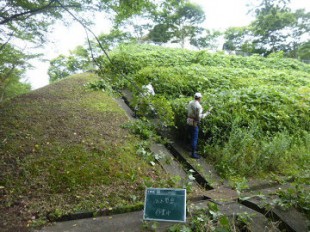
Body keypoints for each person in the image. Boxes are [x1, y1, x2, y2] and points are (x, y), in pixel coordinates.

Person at [187, 92, 213, 159]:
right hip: (194, 122)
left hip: (188, 121)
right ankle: (193, 154)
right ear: (200, 98)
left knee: (191, 135)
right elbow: (198, 117)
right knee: (194, 138)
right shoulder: (198, 106)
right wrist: (207, 113)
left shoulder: (190, 102)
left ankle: (191, 149)